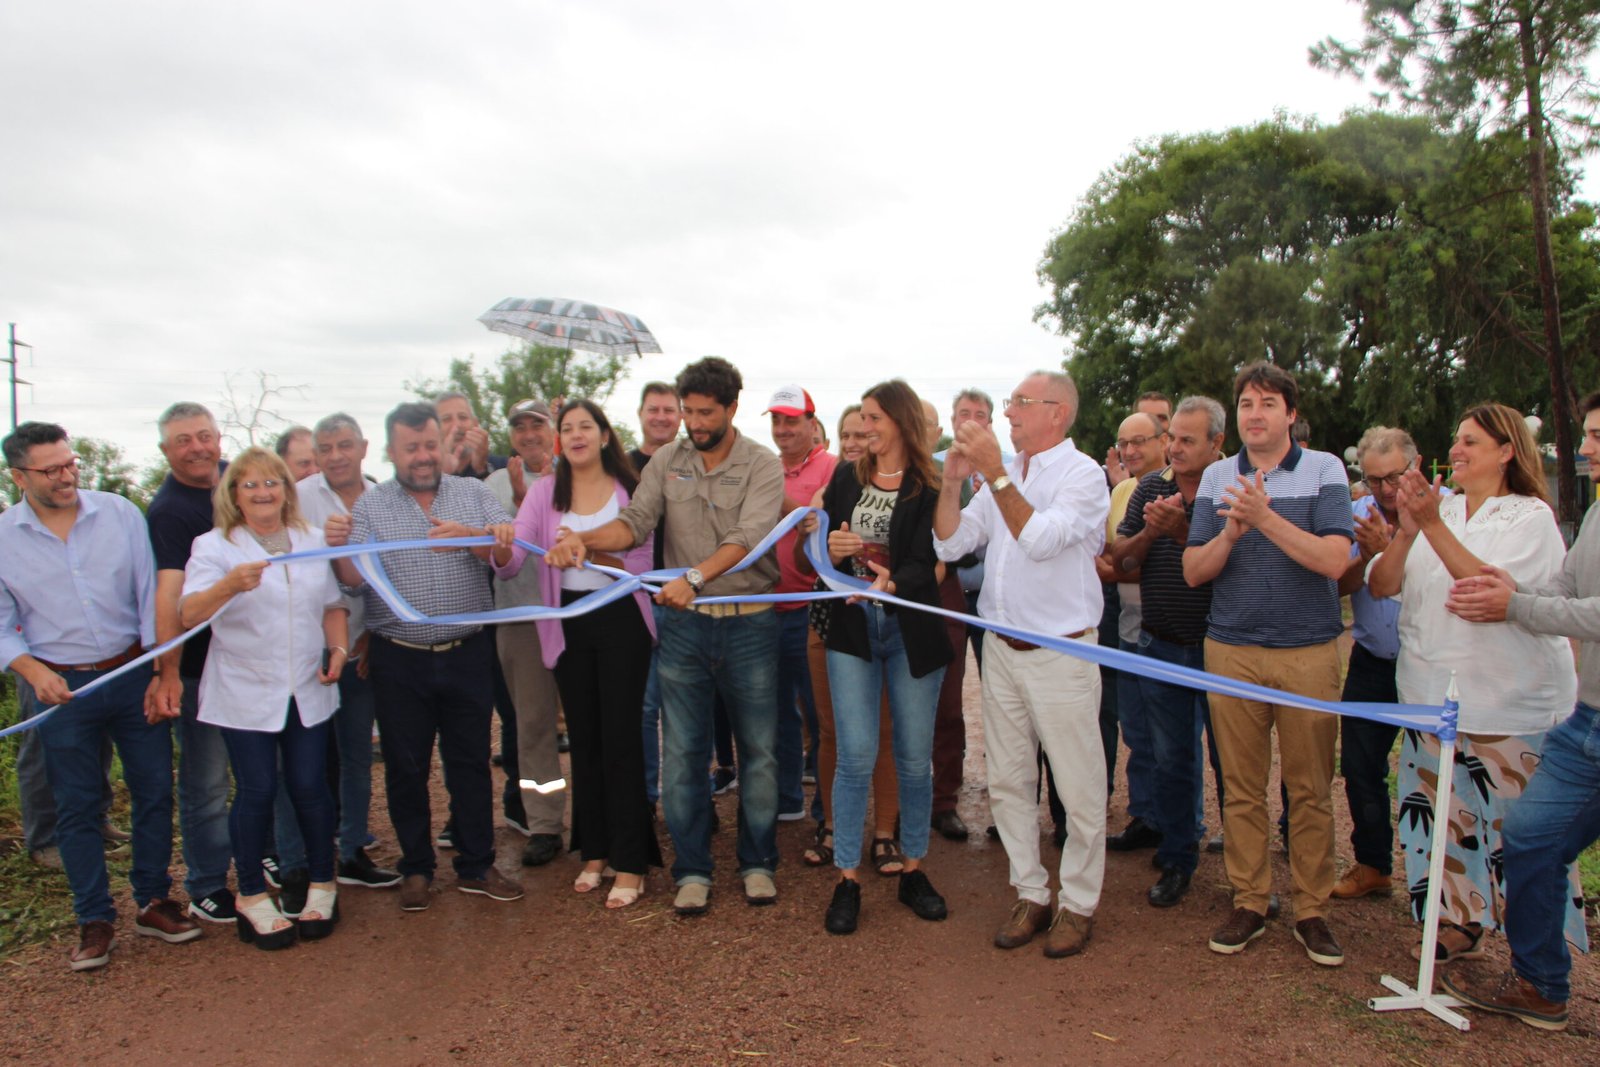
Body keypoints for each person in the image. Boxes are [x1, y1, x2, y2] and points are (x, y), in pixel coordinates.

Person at [546, 357, 784, 916]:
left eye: (705, 413)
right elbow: (635, 523)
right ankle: (693, 869)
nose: (694, 424)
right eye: (687, 412)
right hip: (682, 629)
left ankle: (757, 862)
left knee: (760, 753)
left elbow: (750, 537)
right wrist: (581, 538)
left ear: (731, 408)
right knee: (681, 755)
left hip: (749, 624)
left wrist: (694, 578)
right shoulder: (666, 461)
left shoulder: (762, 464)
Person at [1367, 403, 1578, 963]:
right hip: (1428, 697)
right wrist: (1409, 533)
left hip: (1505, 701)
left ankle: (1532, 952)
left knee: (1517, 835)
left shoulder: (1530, 516)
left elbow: (1484, 591)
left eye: (1471, 442)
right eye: (1455, 440)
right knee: (1441, 823)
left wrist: (1430, 524)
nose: (1456, 450)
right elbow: (1383, 585)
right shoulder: (1442, 511)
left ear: (1507, 452)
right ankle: (1457, 922)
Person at [1, 422, 201, 971]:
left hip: (132, 671)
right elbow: (1, 624)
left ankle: (155, 900)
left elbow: (149, 595)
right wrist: (30, 670)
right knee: (77, 805)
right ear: (18, 476)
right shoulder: (3, 539)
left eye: (70, 464)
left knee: (156, 789)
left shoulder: (118, 513)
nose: (67, 476)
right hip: (60, 688)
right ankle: (93, 919)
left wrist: (164, 673)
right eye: (51, 470)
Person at [1438, 390, 1600, 1031]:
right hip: (1586, 720)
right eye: (1587, 433)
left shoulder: (1533, 512)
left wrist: (1517, 606)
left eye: (1594, 435)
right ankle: (1543, 986)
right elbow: (1566, 589)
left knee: (1529, 833)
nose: (1584, 446)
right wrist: (1519, 591)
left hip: (1560, 713)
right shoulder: (1593, 514)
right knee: (1530, 835)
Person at [1183, 362, 1353, 967]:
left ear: (1290, 414)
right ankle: (1250, 900)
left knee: (1309, 788)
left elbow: (1336, 559)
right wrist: (1231, 534)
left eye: (1268, 403)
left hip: (1307, 650)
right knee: (1241, 787)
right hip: (1230, 649)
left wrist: (1265, 518)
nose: (1256, 413)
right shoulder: (1213, 478)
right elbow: (1194, 571)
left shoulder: (1327, 469)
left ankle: (1312, 910)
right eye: (1247, 403)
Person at [934, 371, 1108, 959]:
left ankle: (1079, 905)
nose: (1006, 414)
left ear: (1056, 413)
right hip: (1002, 650)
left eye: (1018, 404)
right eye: (1008, 403)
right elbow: (950, 545)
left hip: (1061, 652)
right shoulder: (1006, 476)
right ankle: (1030, 892)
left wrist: (997, 473)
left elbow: (1038, 538)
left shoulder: (1082, 476)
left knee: (1079, 786)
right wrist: (954, 484)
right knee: (1009, 780)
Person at [323, 401, 524, 911]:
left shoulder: (475, 493)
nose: (422, 456)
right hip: (398, 658)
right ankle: (416, 869)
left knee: (471, 763)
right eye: (411, 448)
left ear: (443, 444)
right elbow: (351, 581)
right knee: (406, 768)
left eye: (430, 445)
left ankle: (477, 864)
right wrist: (338, 546)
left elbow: (508, 560)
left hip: (466, 652)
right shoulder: (369, 508)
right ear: (391, 451)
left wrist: (477, 540)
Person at [179, 448, 348, 949]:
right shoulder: (213, 547)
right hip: (245, 690)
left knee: (309, 786)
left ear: (286, 489)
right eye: (249, 485)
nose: (262, 492)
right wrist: (229, 585)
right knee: (255, 790)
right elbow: (189, 614)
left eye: (272, 482)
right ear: (233, 494)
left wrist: (337, 648)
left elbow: (333, 604)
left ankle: (322, 884)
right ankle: (251, 895)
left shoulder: (311, 540)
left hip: (305, 686)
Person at [801, 380, 953, 934]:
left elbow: (937, 559)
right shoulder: (846, 476)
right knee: (856, 756)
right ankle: (847, 879)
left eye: (872, 418)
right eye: (861, 418)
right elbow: (813, 548)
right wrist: (830, 547)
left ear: (898, 421)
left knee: (913, 758)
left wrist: (895, 581)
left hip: (910, 631)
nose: (863, 428)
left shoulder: (932, 484)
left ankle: (913, 868)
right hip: (852, 630)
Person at [498, 399, 661, 908]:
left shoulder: (631, 487)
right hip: (568, 621)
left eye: (585, 426)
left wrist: (590, 549)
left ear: (606, 435)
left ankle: (632, 860)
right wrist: (499, 543)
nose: (575, 435)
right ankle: (595, 850)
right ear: (558, 441)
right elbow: (514, 557)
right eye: (566, 428)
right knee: (586, 738)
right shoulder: (546, 491)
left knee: (620, 736)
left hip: (622, 617)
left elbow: (645, 558)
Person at [1108, 397, 1227, 908]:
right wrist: (1154, 530)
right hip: (1159, 644)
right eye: (1172, 437)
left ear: (1217, 444)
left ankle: (1248, 876)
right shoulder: (1150, 489)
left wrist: (1183, 532)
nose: (1175, 448)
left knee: (1234, 765)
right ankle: (1179, 859)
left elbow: (1236, 565)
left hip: (1222, 650)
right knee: (1171, 759)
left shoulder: (1233, 492)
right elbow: (1122, 558)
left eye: (1187, 440)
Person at [296, 413, 398, 889]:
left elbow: (393, 574)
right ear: (316, 456)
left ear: (363, 447)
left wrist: (373, 633)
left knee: (357, 754)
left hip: (363, 647)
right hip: (305, 652)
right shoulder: (296, 500)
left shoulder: (384, 498)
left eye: (344, 445)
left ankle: (351, 849)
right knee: (306, 757)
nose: (335, 456)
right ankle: (301, 856)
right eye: (326, 448)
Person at [146, 401, 236, 924]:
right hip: (201, 666)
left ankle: (262, 854)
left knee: (256, 771)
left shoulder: (237, 483)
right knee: (205, 780)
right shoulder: (169, 510)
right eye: (184, 440)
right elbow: (168, 593)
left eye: (204, 436)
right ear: (166, 451)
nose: (198, 447)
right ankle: (205, 881)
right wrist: (169, 671)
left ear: (219, 439)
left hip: (247, 657)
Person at [802, 404, 901, 870]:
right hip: (828, 621)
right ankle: (832, 825)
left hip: (882, 622)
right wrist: (820, 539)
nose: (855, 441)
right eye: (847, 434)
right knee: (831, 732)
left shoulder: (902, 486)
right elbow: (808, 566)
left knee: (882, 732)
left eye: (865, 432)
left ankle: (884, 833)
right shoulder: (831, 490)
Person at [1328, 427, 1419, 901]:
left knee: (1429, 773)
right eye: (1375, 477)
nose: (1385, 488)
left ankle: (1442, 883)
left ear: (1417, 466)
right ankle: (1373, 865)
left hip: (1426, 663)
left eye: (1395, 476)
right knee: (1361, 764)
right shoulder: (1355, 515)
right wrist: (1365, 556)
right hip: (1371, 659)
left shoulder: (1445, 516)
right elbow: (1338, 588)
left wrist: (1393, 547)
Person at [485, 398, 567, 867]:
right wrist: (518, 501)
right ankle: (544, 823)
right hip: (519, 617)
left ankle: (600, 816)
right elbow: (496, 551)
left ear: (551, 428)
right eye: (520, 426)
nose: (528, 433)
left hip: (576, 613)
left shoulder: (574, 475)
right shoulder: (493, 484)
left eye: (537, 424)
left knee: (592, 719)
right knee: (532, 726)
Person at [1101, 411, 1169, 853]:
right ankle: (1145, 816)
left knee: (1172, 740)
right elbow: (1112, 558)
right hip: (1128, 629)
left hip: (1169, 631)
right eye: (1124, 443)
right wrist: (1122, 563)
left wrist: (1123, 562)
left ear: (1164, 441)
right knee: (1138, 734)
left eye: (1140, 441)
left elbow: (1133, 563)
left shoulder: (1179, 485)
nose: (1130, 451)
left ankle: (1179, 833)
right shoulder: (1122, 490)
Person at [767, 385, 834, 822]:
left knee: (821, 713)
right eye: (776, 420)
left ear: (812, 423)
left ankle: (826, 806)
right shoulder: (764, 469)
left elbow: (814, 524)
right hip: (765, 608)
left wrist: (780, 502)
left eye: (792, 420)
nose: (783, 428)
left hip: (813, 609)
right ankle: (789, 799)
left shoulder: (834, 468)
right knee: (776, 714)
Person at [628, 381, 684, 809]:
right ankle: (645, 796)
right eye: (654, 409)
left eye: (670, 409)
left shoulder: (694, 461)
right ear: (641, 414)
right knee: (644, 708)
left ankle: (688, 796)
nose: (662, 416)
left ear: (680, 416)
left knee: (687, 707)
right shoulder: (622, 466)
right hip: (636, 599)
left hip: (687, 595)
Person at [921, 397, 971, 843]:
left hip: (943, 598)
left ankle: (944, 801)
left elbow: (963, 542)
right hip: (896, 601)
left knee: (948, 708)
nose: (919, 430)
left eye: (928, 424)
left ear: (938, 432)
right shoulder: (874, 474)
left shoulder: (951, 475)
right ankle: (903, 801)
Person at [435, 391, 507, 479]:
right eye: (446, 419)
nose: (456, 425)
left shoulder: (504, 467)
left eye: (463, 417)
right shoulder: (422, 473)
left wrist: (482, 469)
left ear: (475, 424)